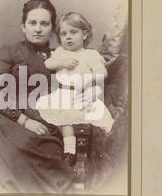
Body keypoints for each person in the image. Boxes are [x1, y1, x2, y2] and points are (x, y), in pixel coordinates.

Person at [0, 0, 75, 194]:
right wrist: (24, 120)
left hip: (47, 119)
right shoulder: (6, 52)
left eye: (45, 23)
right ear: (23, 26)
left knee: (50, 148)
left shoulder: (61, 57)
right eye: (32, 23)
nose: (38, 28)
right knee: (23, 145)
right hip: (9, 116)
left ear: (52, 29)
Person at [36, 12, 114, 166]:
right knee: (65, 119)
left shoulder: (91, 55)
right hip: (62, 93)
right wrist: (62, 62)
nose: (68, 37)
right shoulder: (60, 53)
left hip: (81, 94)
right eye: (63, 34)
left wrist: (87, 79)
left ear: (84, 35)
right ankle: (69, 151)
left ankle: (82, 152)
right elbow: (47, 64)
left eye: (73, 32)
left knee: (84, 117)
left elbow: (102, 73)